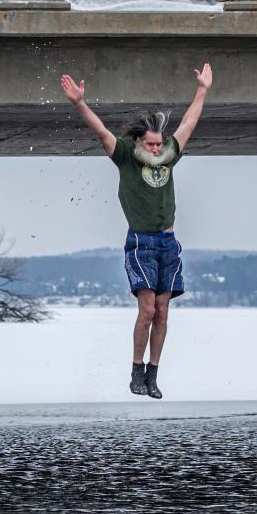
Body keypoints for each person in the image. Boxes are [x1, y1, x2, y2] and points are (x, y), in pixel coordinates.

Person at [60, 64, 214, 400]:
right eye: (153, 144)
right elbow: (102, 132)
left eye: (160, 144)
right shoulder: (127, 156)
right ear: (139, 142)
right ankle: (135, 370)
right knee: (146, 310)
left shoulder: (169, 156)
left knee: (162, 311)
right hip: (140, 242)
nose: (158, 149)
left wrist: (201, 90)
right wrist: (79, 104)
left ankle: (153, 374)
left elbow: (188, 124)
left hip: (168, 243)